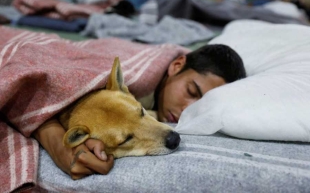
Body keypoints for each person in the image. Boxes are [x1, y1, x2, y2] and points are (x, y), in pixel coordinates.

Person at [33, 44, 246, 179]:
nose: (187, 110)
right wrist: (56, 143)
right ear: (177, 65)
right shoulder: (131, 78)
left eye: (203, 104)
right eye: (191, 91)